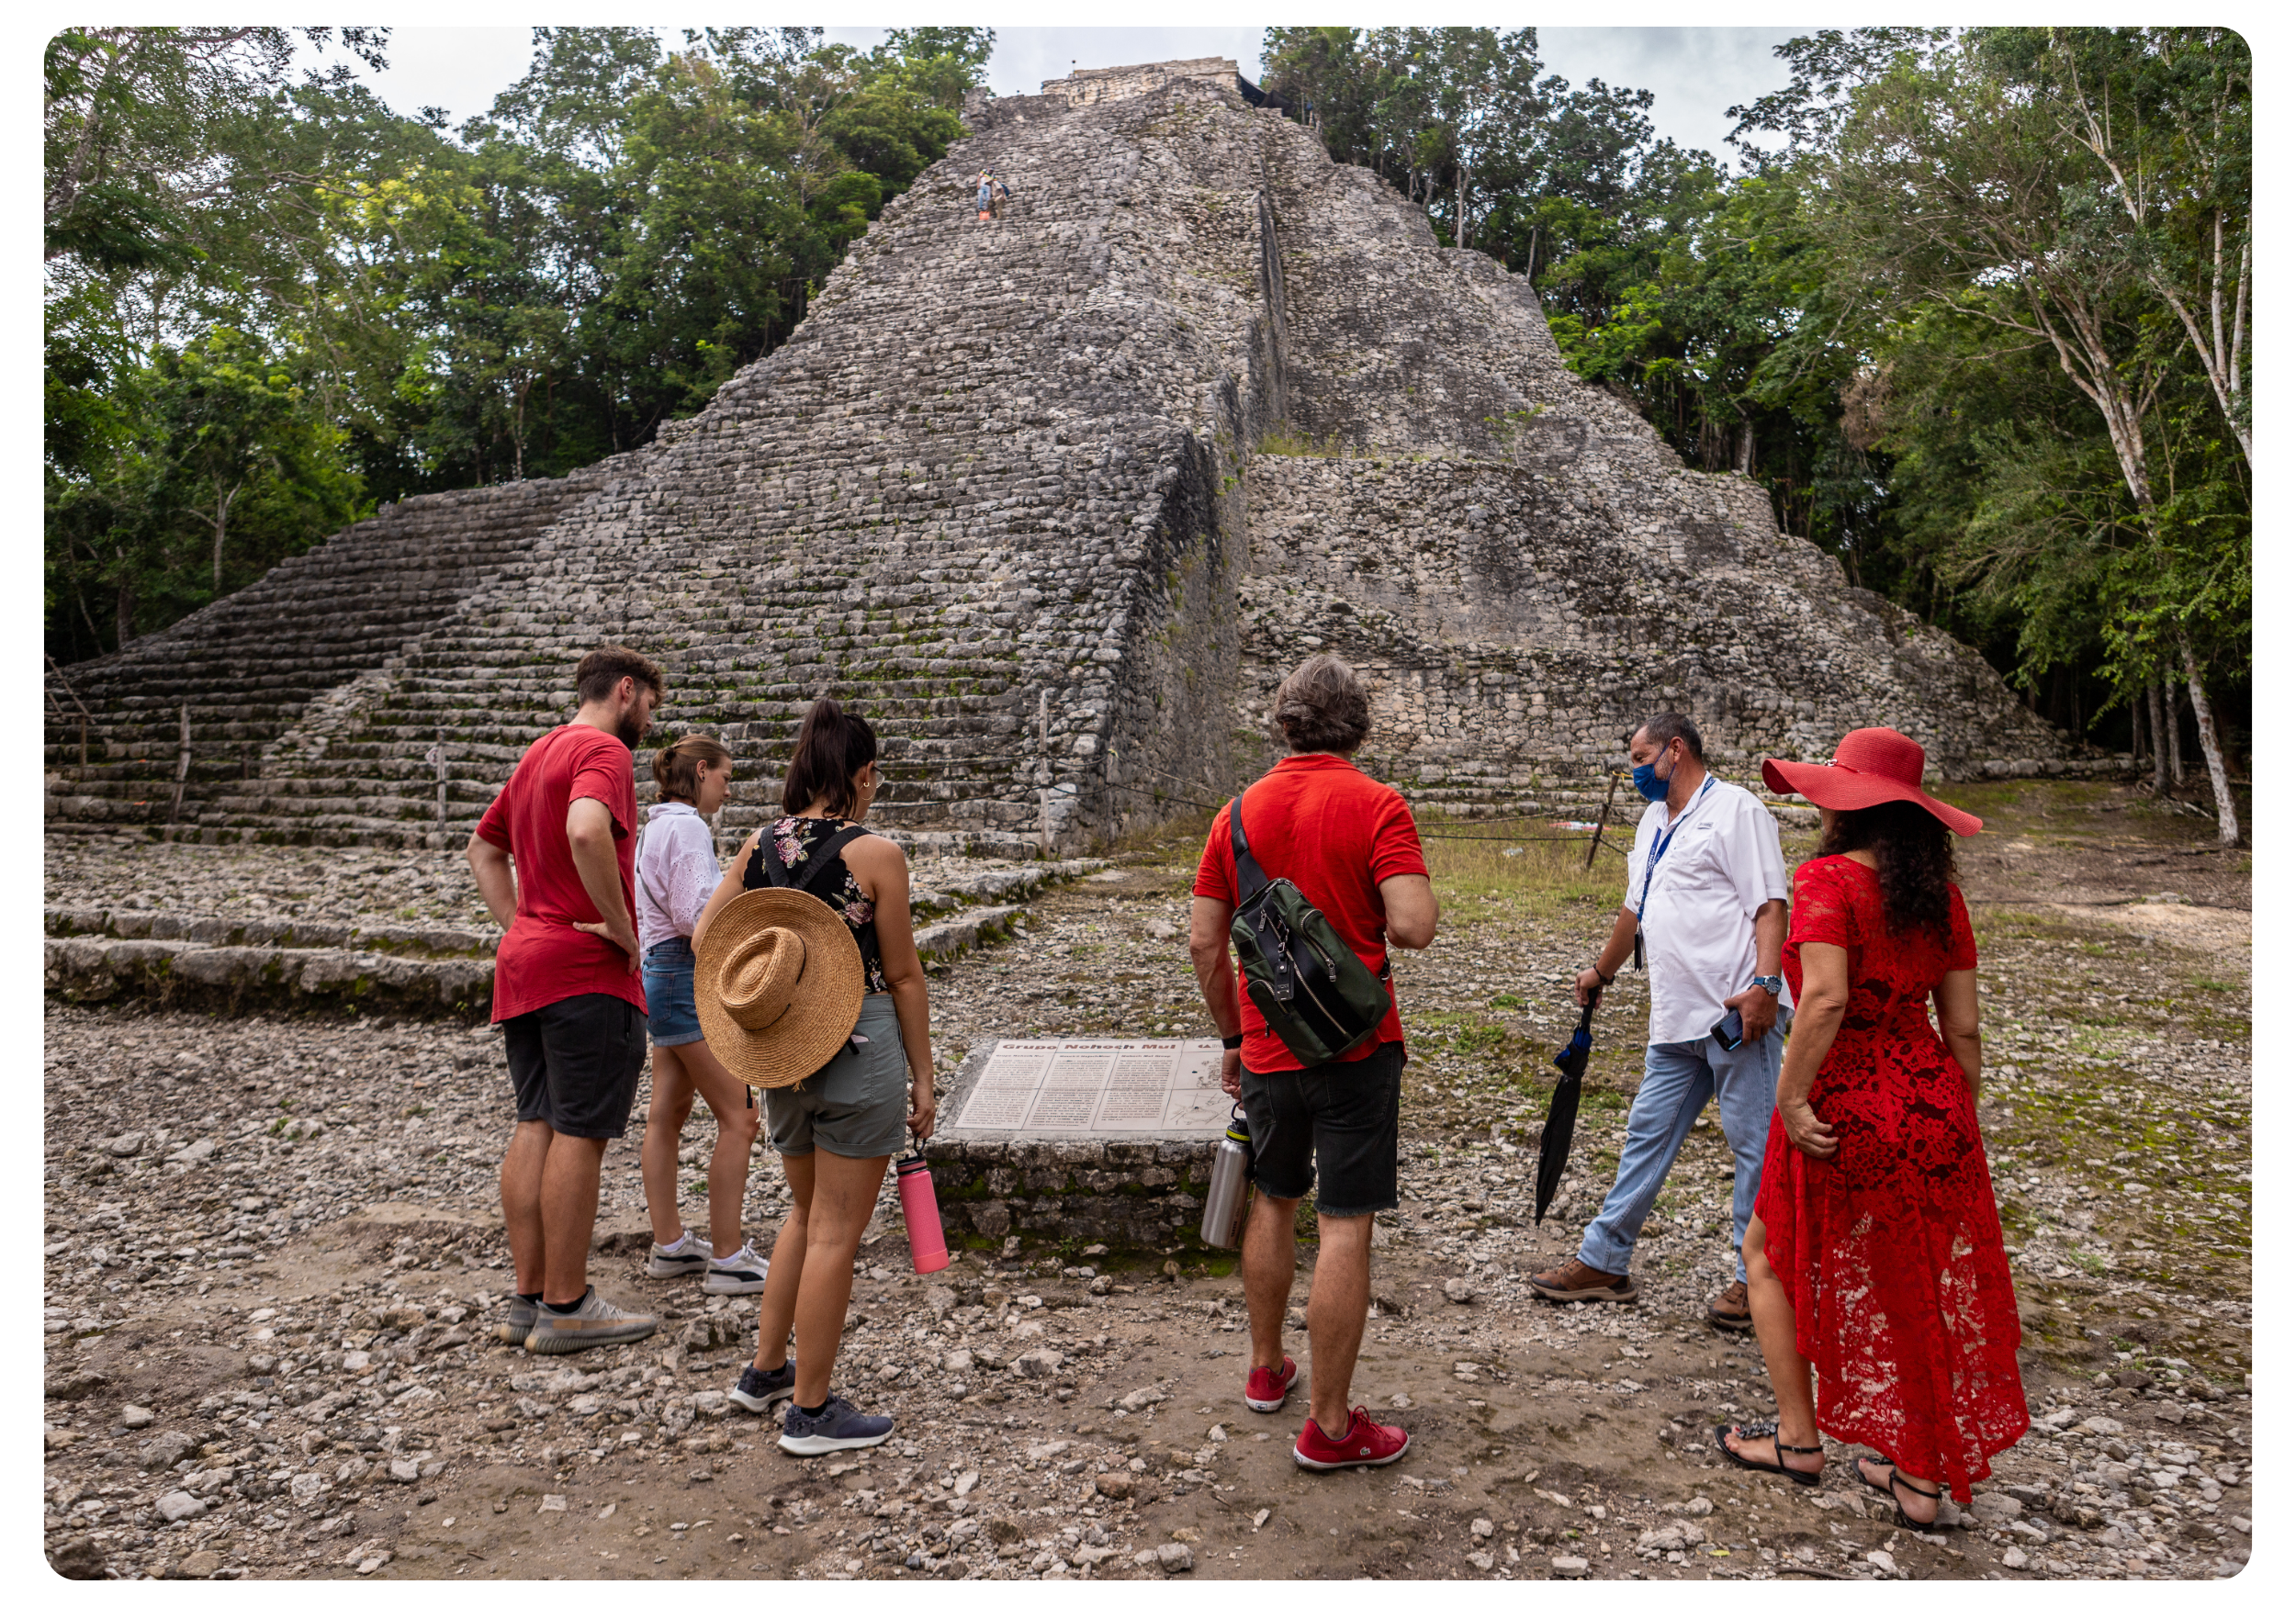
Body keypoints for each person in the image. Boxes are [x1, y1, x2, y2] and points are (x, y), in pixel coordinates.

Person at [1718, 728, 2027, 1527]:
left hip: (1843, 1098)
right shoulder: (1940, 898)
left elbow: (1822, 1000)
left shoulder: (1826, 880)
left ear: (1846, 805)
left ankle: (1798, 1440)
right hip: (1930, 1099)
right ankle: (1921, 1479)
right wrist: (1955, 1114)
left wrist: (1790, 1100)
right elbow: (1962, 1027)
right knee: (1910, 1276)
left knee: (1768, 1254)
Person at [1188, 654, 1439, 1473]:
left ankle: (1267, 1371)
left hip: (1266, 1046)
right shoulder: (1378, 806)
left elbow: (1203, 941)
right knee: (1343, 1223)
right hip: (1358, 1047)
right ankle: (1330, 1427)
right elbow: (1415, 925)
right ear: (1356, 726)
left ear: (1285, 723)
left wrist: (1233, 1038)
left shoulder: (1237, 816)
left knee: (1273, 1198)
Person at [689, 698, 936, 1455]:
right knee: (835, 1231)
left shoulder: (761, 845)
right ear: (861, 774)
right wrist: (924, 1079)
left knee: (802, 1216)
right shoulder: (876, 855)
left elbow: (706, 935)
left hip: (785, 1056)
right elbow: (902, 975)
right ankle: (812, 1410)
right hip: (859, 1048)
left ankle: (766, 1372)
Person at [1532, 712, 1793, 1331]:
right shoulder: (1653, 822)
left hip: (1737, 1014)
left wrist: (1765, 984)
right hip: (1677, 1018)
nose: (1634, 770)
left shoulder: (1737, 811)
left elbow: (1770, 903)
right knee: (1646, 1136)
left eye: (1640, 756)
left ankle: (1754, 1280)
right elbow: (1636, 910)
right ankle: (1605, 1260)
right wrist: (1602, 971)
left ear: (1675, 751)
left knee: (1754, 1146)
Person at [467, 645, 665, 1355]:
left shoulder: (538, 751)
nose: (650, 718)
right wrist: (616, 925)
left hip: (526, 963)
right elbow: (586, 829)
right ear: (624, 690)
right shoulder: (603, 751)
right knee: (580, 1130)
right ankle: (569, 1305)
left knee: (536, 1121)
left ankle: (528, 1299)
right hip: (585, 970)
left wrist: (523, 924)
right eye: (650, 703)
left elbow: (482, 849)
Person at [631, 734, 771, 1296]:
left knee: (667, 1111)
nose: (729, 789)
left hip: (659, 972)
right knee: (740, 1115)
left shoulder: (655, 824)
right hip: (683, 976)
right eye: (726, 777)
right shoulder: (687, 826)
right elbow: (696, 917)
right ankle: (729, 1256)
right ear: (703, 771)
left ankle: (669, 1245)